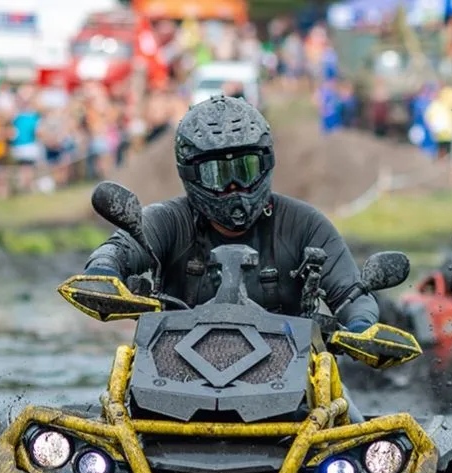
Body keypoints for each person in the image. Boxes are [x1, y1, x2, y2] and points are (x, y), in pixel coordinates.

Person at [82, 96, 379, 416]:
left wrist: (360, 328)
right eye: (217, 174)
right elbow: (119, 248)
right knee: (95, 436)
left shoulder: (306, 224)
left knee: (364, 441)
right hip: (166, 386)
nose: (234, 187)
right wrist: (105, 273)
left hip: (294, 392)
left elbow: (352, 294)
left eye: (245, 170)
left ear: (266, 163)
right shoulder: (166, 220)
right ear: (191, 175)